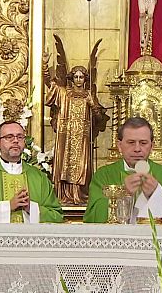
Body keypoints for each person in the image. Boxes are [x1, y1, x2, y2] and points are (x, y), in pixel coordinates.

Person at [84, 117, 162, 223]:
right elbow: (93, 214)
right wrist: (123, 195)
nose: (137, 149)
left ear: (152, 146)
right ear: (119, 146)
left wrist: (157, 194)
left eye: (143, 143)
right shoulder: (104, 175)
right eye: (131, 142)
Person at [0, 121, 63, 223]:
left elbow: (56, 215)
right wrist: (8, 207)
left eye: (20, 137)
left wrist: (32, 209)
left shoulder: (38, 177)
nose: (15, 140)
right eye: (9, 137)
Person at [43, 44, 108, 205]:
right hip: (66, 135)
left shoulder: (88, 95)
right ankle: (65, 195)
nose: (79, 80)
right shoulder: (64, 92)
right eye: (76, 77)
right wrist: (44, 65)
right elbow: (48, 83)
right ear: (72, 78)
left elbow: (98, 116)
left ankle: (79, 195)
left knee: (81, 167)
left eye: (82, 77)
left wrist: (94, 106)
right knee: (64, 165)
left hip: (82, 136)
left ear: (85, 79)